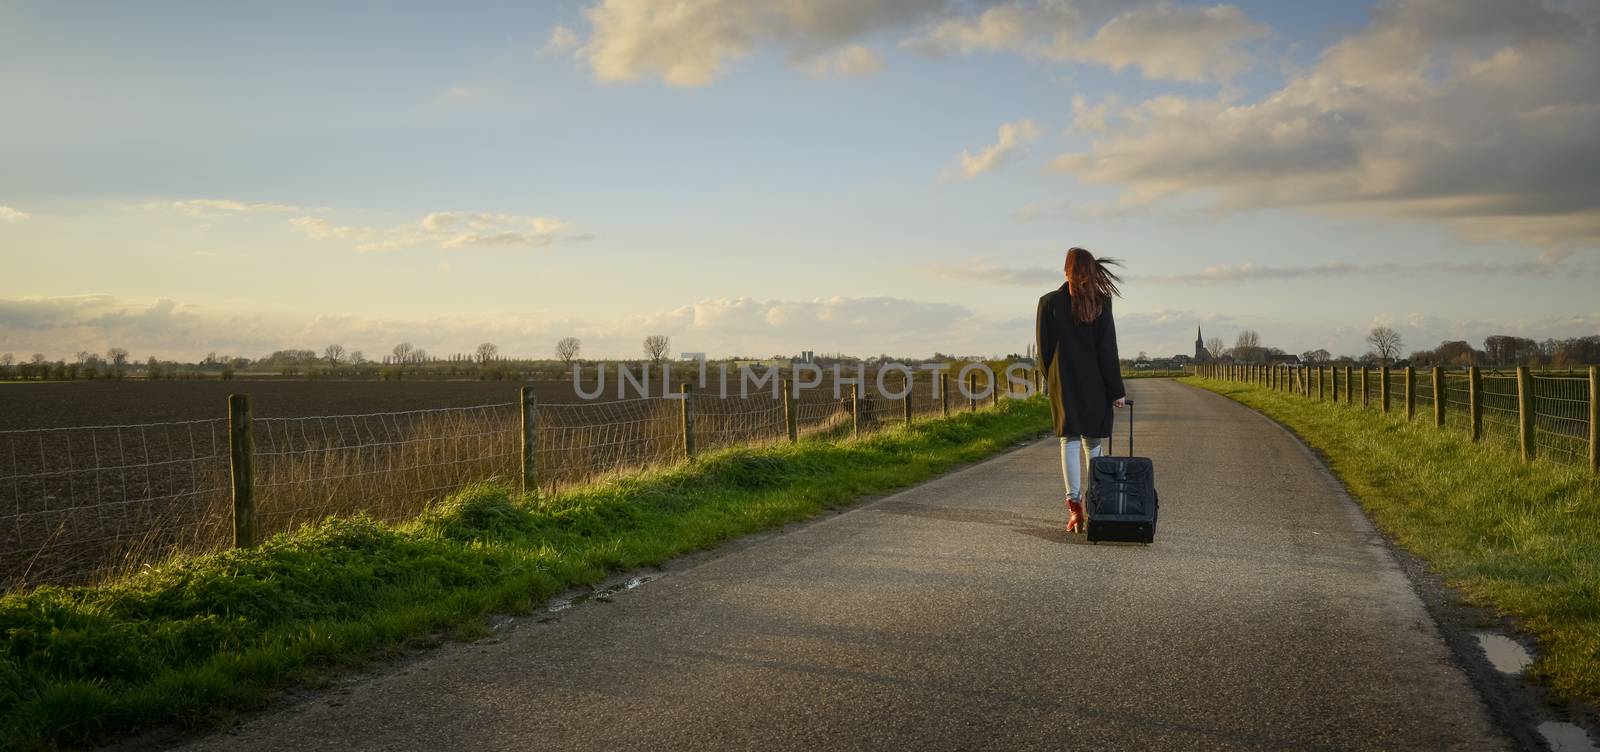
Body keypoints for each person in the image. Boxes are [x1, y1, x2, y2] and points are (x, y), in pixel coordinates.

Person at [1035, 247, 1127, 534]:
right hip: (1096, 384)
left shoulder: (1048, 303)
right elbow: (1107, 351)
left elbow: (1044, 351)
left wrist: (1051, 380)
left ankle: (1075, 510)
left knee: (1069, 442)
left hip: (1064, 383)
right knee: (1093, 444)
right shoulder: (1103, 303)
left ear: (1067, 271)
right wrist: (1116, 390)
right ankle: (1097, 505)